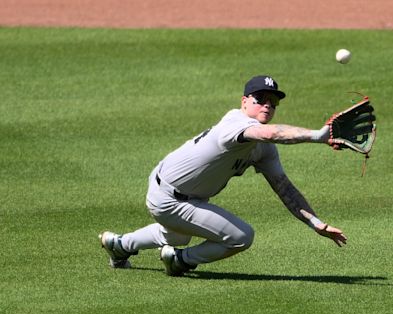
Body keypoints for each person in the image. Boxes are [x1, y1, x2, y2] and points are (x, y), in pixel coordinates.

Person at [99, 75, 347, 276]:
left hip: (179, 193)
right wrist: (317, 136)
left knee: (177, 233)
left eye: (274, 101)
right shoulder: (234, 124)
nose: (268, 105)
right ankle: (179, 260)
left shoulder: (264, 151)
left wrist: (316, 224)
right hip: (170, 197)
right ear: (244, 102)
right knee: (241, 237)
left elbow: (285, 189)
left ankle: (119, 245)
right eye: (261, 98)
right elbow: (270, 133)